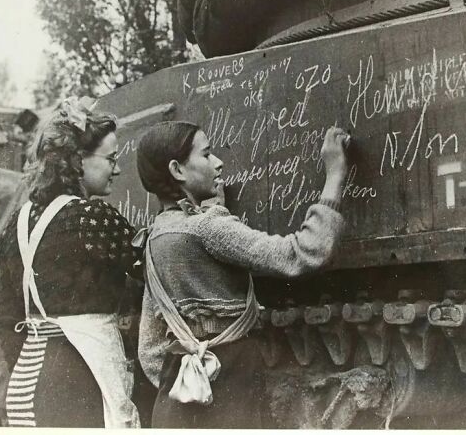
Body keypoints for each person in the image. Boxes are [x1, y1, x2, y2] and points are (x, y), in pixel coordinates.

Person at [135, 120, 350, 428]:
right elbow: (306, 252)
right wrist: (334, 177)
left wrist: (191, 384)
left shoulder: (155, 236)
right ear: (178, 170)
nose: (218, 163)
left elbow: (150, 349)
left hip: (178, 396)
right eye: (207, 155)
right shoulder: (208, 227)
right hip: (231, 382)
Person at [0, 97, 141, 428]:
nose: (117, 168)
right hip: (79, 375)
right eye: (111, 159)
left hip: (26, 382)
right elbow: (152, 268)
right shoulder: (92, 217)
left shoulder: (17, 222)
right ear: (77, 160)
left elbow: (5, 312)